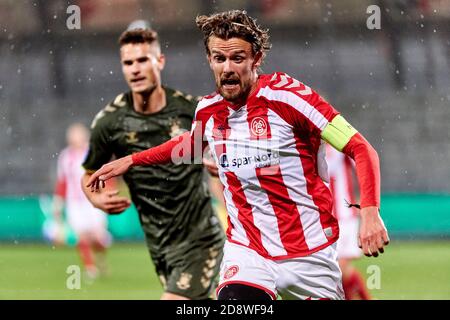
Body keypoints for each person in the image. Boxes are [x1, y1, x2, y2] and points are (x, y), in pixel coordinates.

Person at [86, 10, 390, 300]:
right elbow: (188, 148)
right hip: (248, 251)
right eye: (219, 58)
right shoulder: (207, 111)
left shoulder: (289, 98)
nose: (227, 68)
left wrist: (370, 212)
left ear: (256, 59)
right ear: (210, 60)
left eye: (237, 58)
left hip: (308, 253)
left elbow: (360, 148)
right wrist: (128, 160)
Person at [80, 28, 225, 300]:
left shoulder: (191, 110)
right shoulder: (110, 122)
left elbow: (223, 149)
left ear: (160, 61)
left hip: (200, 238)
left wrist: (219, 163)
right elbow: (89, 173)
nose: (135, 69)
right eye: (128, 62)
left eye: (143, 60)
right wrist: (95, 199)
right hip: (159, 245)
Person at [53, 123, 111, 280]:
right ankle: (90, 268)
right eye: (72, 136)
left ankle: (100, 258)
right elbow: (62, 181)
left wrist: (105, 194)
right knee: (82, 236)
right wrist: (58, 202)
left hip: (92, 200)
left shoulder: (93, 153)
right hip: (75, 202)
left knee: (98, 238)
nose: (74, 139)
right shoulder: (65, 157)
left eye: (77, 135)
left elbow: (105, 175)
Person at [326, 144, 371, 300]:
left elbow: (362, 167)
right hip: (323, 219)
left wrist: (365, 201)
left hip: (345, 217)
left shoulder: (340, 144)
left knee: (340, 266)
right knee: (334, 270)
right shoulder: (310, 145)